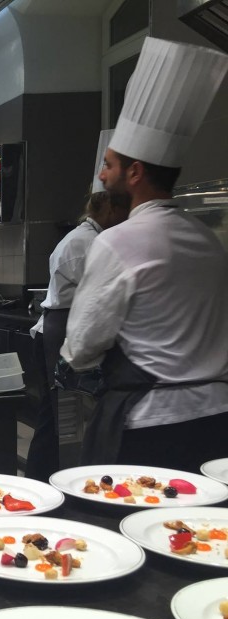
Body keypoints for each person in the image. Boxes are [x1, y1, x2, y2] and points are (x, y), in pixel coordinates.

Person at [60, 37, 228, 472]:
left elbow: (81, 347)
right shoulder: (207, 239)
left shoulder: (119, 242)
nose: (101, 173)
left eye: (109, 165)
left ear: (134, 173)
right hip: (217, 418)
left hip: (150, 424)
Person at [25, 172, 130, 480]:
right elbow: (101, 298)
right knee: (65, 415)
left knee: (54, 414)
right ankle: (60, 479)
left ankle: (42, 477)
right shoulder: (89, 242)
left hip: (59, 327)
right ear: (109, 208)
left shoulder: (84, 238)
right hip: (64, 328)